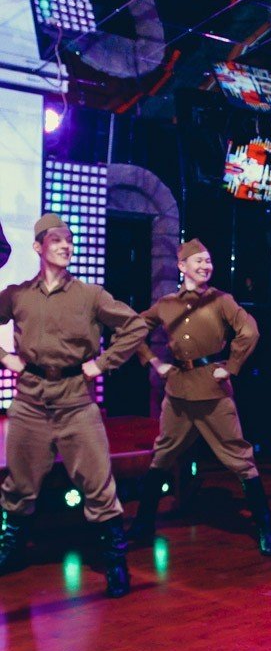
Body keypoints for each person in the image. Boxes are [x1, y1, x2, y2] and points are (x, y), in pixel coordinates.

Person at [0, 213, 147, 596]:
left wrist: (103, 362)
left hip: (76, 400)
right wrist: (4, 357)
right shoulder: (17, 295)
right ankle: (12, 549)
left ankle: (114, 560)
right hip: (30, 400)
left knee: (98, 484)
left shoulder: (90, 295)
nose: (66, 245)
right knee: (19, 484)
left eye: (69, 239)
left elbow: (135, 326)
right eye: (56, 240)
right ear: (38, 247)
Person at [130, 239, 271, 556]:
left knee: (239, 457)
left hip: (212, 392)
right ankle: (143, 525)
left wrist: (232, 366)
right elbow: (132, 330)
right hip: (177, 392)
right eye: (198, 260)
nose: (205, 265)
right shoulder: (166, 304)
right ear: (182, 266)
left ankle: (264, 526)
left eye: (208, 261)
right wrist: (153, 362)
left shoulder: (221, 300)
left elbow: (249, 330)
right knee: (162, 454)